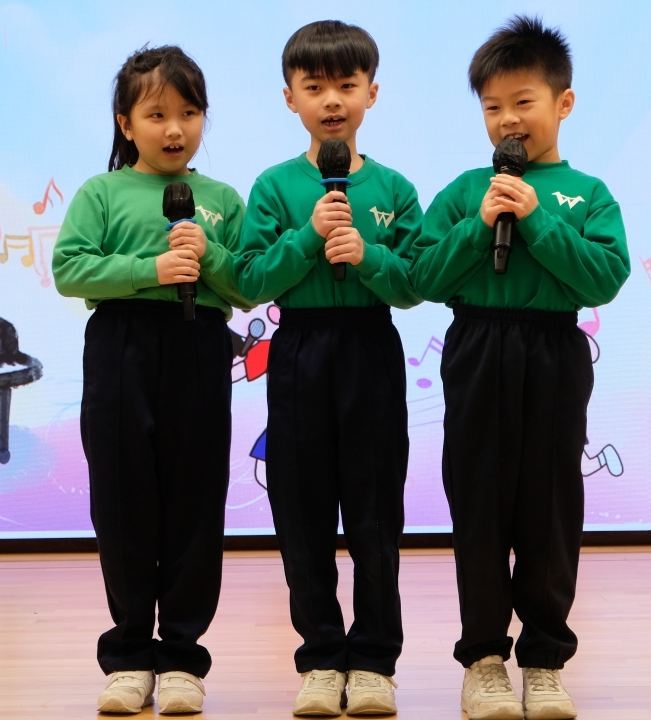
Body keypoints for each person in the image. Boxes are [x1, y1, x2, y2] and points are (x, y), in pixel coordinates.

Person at [409, 15, 630, 720]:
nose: (507, 119)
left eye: (523, 102)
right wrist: (480, 225)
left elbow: (604, 278)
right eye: (492, 106)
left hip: (553, 349)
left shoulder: (587, 193)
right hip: (478, 345)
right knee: (478, 503)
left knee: (549, 506)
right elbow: (422, 275)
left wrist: (535, 218)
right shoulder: (464, 190)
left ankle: (543, 661)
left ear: (563, 103)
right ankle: (483, 661)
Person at [51, 44, 252, 716]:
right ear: (125, 123)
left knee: (195, 498)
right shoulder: (101, 192)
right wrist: (151, 269)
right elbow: (70, 270)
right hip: (121, 344)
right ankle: (131, 655)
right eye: (156, 114)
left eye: (189, 113)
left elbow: (247, 286)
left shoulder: (221, 199)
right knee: (122, 496)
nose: (174, 129)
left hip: (200, 344)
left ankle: (184, 658)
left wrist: (208, 254)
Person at [235, 20, 422, 717]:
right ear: (290, 98)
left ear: (372, 92)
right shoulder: (275, 186)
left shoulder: (395, 187)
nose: (332, 100)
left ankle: (373, 659)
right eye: (315, 87)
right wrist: (308, 237)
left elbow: (417, 282)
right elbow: (250, 279)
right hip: (300, 351)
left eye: (347, 84)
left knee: (375, 513)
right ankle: (319, 655)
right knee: (302, 510)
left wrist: (367, 255)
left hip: (371, 348)